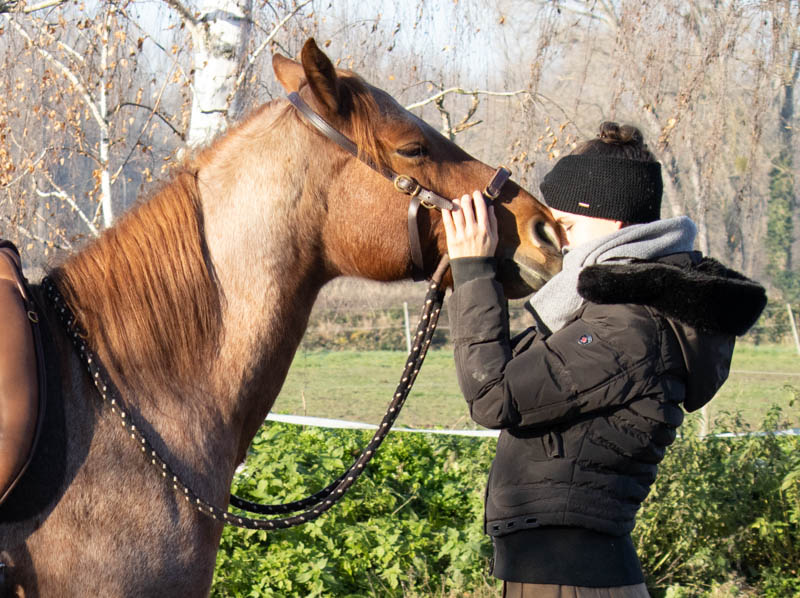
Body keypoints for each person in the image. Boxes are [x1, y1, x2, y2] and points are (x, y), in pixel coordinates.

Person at [441, 122, 766, 598]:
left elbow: (494, 396)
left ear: (613, 221)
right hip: (558, 574)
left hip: (570, 579)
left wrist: (472, 269)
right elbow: (516, 381)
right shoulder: (609, 314)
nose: (563, 243)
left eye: (568, 225)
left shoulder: (630, 326)